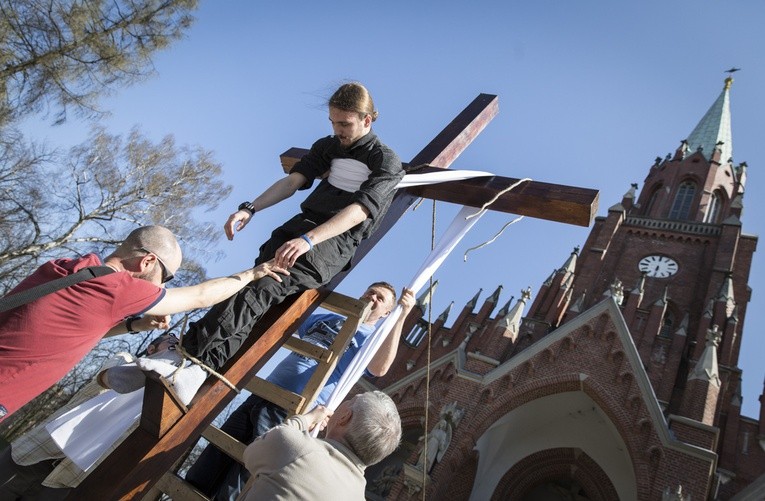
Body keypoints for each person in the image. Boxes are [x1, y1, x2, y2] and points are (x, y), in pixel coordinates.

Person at [181, 82, 405, 370]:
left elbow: (359, 210)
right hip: (295, 231)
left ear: (367, 120)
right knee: (246, 287)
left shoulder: (385, 161)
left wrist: (309, 241)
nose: (338, 130)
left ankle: (188, 352)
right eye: (333, 122)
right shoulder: (328, 146)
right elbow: (292, 181)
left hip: (326, 247)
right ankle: (204, 367)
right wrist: (250, 208)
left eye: (344, 124)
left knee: (261, 289)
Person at [0, 225, 288, 422]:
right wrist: (252, 274)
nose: (163, 285)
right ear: (148, 261)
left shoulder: (67, 268)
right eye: (167, 277)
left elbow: (74, 332)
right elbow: (202, 296)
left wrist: (135, 326)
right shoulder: (118, 288)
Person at [185, 282, 415, 500]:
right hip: (262, 392)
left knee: (244, 473)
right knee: (213, 456)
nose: (371, 297)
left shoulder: (370, 341)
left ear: (386, 313)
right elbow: (290, 319)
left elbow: (380, 368)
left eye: (380, 298)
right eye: (370, 292)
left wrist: (402, 315)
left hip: (292, 407)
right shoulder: (330, 318)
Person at [0, 333, 184, 500]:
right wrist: (165, 360)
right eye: (172, 342)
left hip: (67, 478)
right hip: (36, 451)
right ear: (152, 348)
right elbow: (115, 380)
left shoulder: (163, 400)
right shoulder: (124, 359)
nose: (178, 346)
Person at [239, 391, 402, 501]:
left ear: (345, 417)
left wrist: (305, 420)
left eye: (351, 399)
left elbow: (250, 454)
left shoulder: (297, 449)